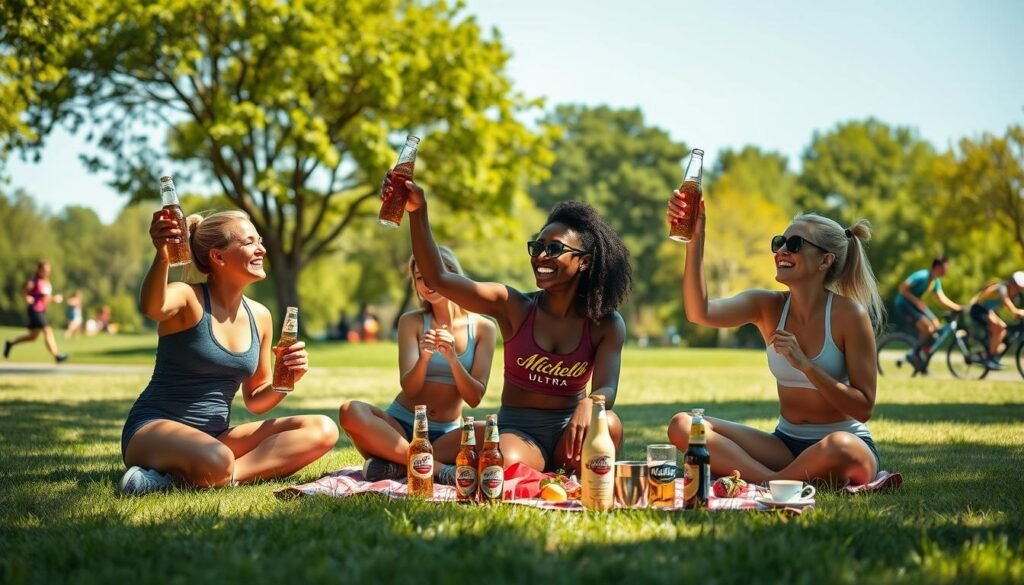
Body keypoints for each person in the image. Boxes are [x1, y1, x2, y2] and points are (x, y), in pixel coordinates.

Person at [401, 177, 632, 474]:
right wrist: (418, 212)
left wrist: (593, 401)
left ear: (584, 262)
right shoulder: (513, 306)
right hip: (518, 434)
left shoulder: (607, 323)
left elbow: (607, 386)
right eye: (537, 247)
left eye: (554, 249)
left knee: (609, 424)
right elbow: (439, 279)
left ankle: (502, 466)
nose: (541, 256)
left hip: (568, 434)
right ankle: (449, 466)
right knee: (506, 463)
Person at [665, 192, 885, 487]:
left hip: (845, 444)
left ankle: (765, 482)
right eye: (779, 242)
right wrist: (696, 238)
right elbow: (699, 312)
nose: (782, 251)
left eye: (794, 245)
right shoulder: (767, 306)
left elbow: (863, 408)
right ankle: (775, 482)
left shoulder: (849, 315)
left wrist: (806, 365)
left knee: (840, 446)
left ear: (825, 261)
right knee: (684, 425)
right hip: (784, 446)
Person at [118, 209, 338, 495]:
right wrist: (163, 255)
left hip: (215, 437)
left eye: (259, 240)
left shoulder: (260, 316)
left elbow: (256, 399)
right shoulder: (187, 297)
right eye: (249, 242)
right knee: (218, 458)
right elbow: (152, 307)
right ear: (218, 257)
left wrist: (287, 380)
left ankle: (198, 477)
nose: (261, 249)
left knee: (323, 429)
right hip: (154, 429)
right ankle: (211, 471)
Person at [338, 247, 497, 483]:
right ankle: (439, 469)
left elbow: (474, 398)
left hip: (445, 436)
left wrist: (453, 358)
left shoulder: (484, 328)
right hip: (400, 428)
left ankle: (401, 465)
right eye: (420, 277)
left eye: (433, 274)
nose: (427, 283)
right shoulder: (411, 322)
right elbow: (411, 388)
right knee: (350, 411)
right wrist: (424, 357)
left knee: (491, 431)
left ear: (451, 274)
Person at [893, 257, 963, 371]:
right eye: (944, 268)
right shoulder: (922, 276)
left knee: (935, 325)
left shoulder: (935, 282)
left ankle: (922, 360)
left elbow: (941, 299)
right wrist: (916, 301)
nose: (946, 271)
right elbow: (902, 288)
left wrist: (957, 308)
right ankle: (913, 355)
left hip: (916, 305)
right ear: (936, 267)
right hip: (904, 304)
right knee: (927, 327)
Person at [4, 260, 68, 363]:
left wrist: (53, 299)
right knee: (47, 330)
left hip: (41, 310)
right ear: (39, 270)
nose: (46, 272)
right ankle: (57, 355)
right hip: (34, 310)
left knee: (32, 337)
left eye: (48, 270)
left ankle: (10, 343)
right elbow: (24, 289)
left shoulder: (46, 282)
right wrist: (26, 297)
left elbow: (45, 298)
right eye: (44, 270)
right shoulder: (34, 281)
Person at [968, 271, 1024, 369]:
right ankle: (990, 358)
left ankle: (991, 354)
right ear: (1011, 283)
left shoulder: (1012, 294)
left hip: (987, 311)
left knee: (1003, 330)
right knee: (1000, 327)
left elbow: (1011, 312)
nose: (1017, 291)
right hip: (978, 309)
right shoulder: (1002, 288)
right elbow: (1011, 308)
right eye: (1017, 288)